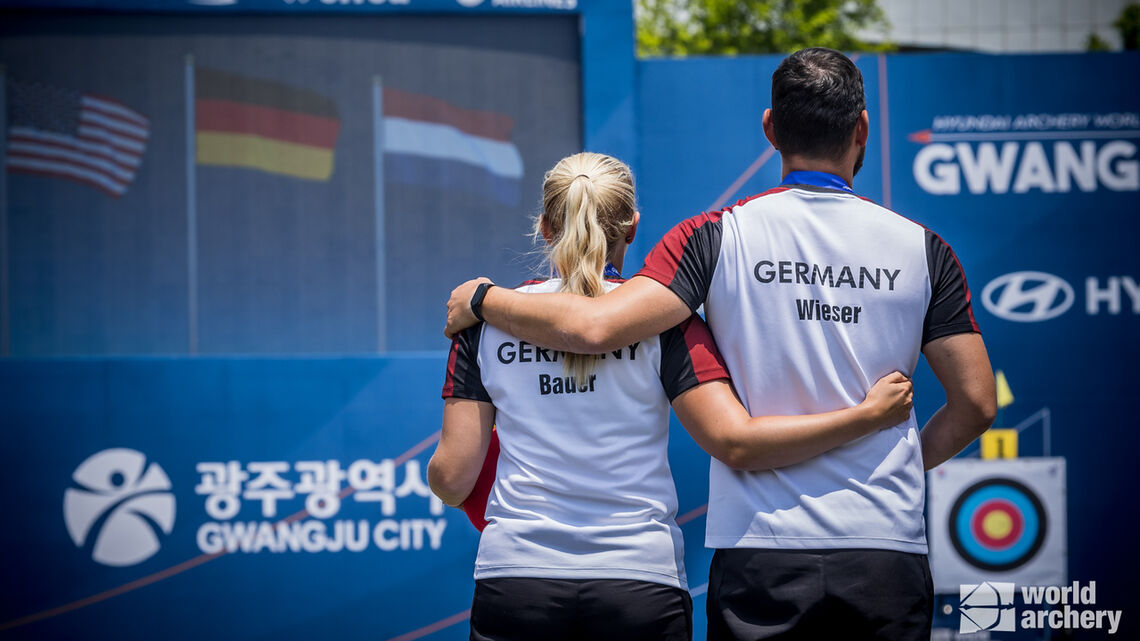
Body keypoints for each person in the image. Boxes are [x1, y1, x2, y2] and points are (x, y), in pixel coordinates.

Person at [444, 49, 997, 640]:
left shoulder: (713, 237)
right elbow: (977, 404)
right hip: (882, 545)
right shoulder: (923, 249)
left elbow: (597, 327)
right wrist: (894, 460)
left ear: (770, 128)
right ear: (862, 128)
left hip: (759, 545)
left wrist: (483, 300)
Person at [429, 151, 916, 641]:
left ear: (545, 226)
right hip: (640, 579)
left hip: (517, 577)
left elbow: (451, 478)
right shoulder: (666, 324)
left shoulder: (483, 325)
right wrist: (866, 416)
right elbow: (734, 440)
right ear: (632, 227)